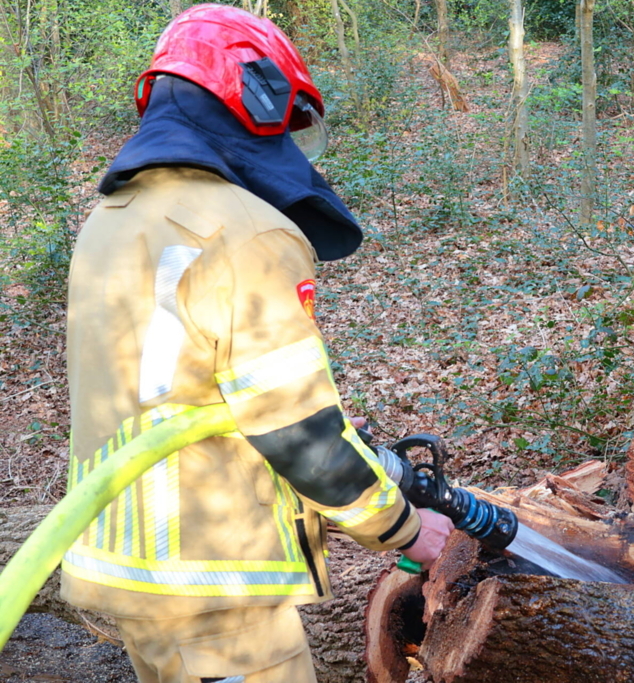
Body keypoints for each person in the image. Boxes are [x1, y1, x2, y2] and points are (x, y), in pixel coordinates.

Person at [61, 5, 453, 681]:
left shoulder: (110, 219)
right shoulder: (248, 232)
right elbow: (297, 431)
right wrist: (410, 529)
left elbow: (187, 391)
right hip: (222, 599)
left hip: (134, 578)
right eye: (290, 125)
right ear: (255, 99)